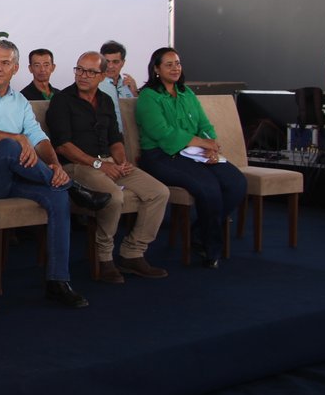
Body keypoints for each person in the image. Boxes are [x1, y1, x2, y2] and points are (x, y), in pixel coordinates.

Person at [0, 39, 108, 308]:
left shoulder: (20, 101)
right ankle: (73, 187)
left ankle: (58, 281)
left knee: (57, 196)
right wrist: (17, 138)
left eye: (5, 63)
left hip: (16, 178)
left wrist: (55, 165)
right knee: (9, 146)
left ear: (15, 68)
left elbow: (39, 138)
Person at [46, 52, 169, 283]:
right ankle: (104, 258)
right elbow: (63, 146)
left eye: (91, 72)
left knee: (159, 192)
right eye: (79, 69)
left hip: (108, 162)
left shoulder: (105, 100)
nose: (83, 76)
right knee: (113, 196)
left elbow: (115, 138)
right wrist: (99, 164)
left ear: (102, 75)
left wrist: (121, 160)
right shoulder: (62, 100)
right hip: (77, 166)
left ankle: (133, 252)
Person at [135, 47, 247, 269]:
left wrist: (211, 146)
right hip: (161, 156)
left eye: (177, 63)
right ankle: (210, 247)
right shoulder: (148, 96)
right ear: (156, 69)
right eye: (168, 64)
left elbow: (204, 124)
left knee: (236, 183)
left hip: (194, 152)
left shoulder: (186, 93)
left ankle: (197, 232)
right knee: (208, 187)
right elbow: (163, 133)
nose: (175, 68)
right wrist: (202, 143)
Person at [98, 40, 138, 132]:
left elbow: (139, 115)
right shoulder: (95, 85)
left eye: (115, 62)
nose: (110, 66)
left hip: (128, 137)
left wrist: (135, 93)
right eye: (107, 61)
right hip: (105, 137)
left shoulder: (129, 85)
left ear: (123, 63)